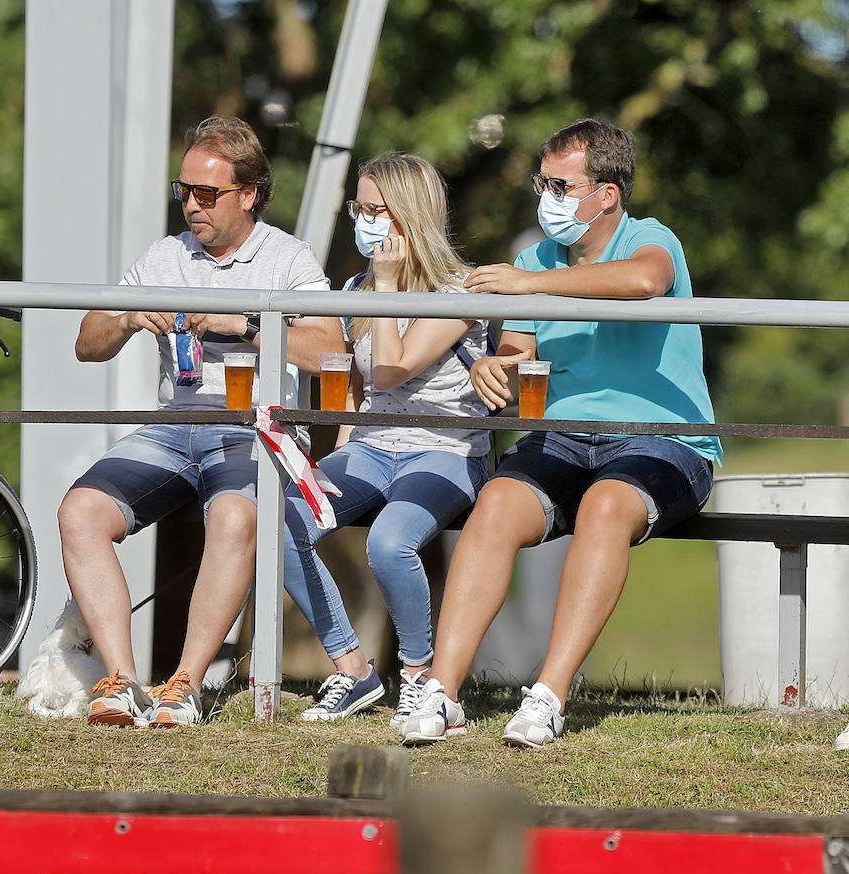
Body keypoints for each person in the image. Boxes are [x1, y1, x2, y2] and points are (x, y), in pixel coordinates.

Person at [399, 118, 721, 748]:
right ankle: (442, 691)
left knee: (605, 507)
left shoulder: (649, 238)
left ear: (608, 194)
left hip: (663, 440)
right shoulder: (534, 260)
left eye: (560, 186)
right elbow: (518, 352)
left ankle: (548, 695)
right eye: (541, 184)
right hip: (564, 439)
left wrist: (532, 285)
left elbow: (643, 282)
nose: (546, 198)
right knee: (494, 505)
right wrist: (494, 367)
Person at [57, 116, 343, 728]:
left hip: (252, 427)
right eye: (183, 190)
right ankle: (122, 681)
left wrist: (247, 323)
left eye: (207, 193)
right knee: (79, 512)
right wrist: (129, 319)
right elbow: (86, 343)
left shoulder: (287, 257)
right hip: (172, 426)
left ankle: (183, 685)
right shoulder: (166, 255)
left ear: (250, 194)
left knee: (235, 518)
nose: (191, 205)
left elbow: (329, 351)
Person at [283, 152, 491, 727]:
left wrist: (388, 284)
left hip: (445, 451)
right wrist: (341, 451)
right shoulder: (357, 287)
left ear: (410, 215)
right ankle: (352, 669)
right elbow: (356, 388)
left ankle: (420, 676)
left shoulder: (458, 292)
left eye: (377, 210)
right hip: (373, 447)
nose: (364, 221)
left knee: (388, 542)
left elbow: (391, 370)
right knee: (279, 522)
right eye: (359, 208)